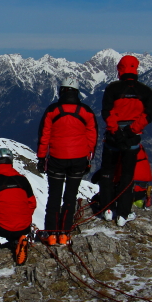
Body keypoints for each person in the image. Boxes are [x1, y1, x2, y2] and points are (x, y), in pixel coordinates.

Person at [36, 77, 97, 244]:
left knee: (54, 197)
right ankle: (64, 233)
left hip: (56, 159)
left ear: (61, 91)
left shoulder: (52, 110)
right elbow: (92, 137)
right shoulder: (86, 111)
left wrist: (41, 158)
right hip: (79, 160)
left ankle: (51, 234)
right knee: (70, 196)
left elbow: (44, 136)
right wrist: (88, 158)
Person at [96, 55, 152, 227]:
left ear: (119, 69)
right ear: (136, 69)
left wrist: (117, 131)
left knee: (108, 173)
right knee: (127, 175)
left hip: (112, 139)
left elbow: (107, 113)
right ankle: (123, 213)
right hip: (132, 140)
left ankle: (107, 209)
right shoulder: (146, 91)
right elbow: (148, 116)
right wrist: (130, 131)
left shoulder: (112, 89)